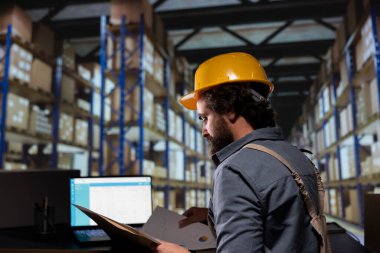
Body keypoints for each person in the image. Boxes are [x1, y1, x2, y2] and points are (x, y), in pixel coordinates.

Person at [156, 52, 325, 253]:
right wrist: (215, 213)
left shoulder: (235, 171)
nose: (204, 131)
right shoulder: (295, 156)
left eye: (205, 118)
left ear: (229, 109)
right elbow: (282, 221)